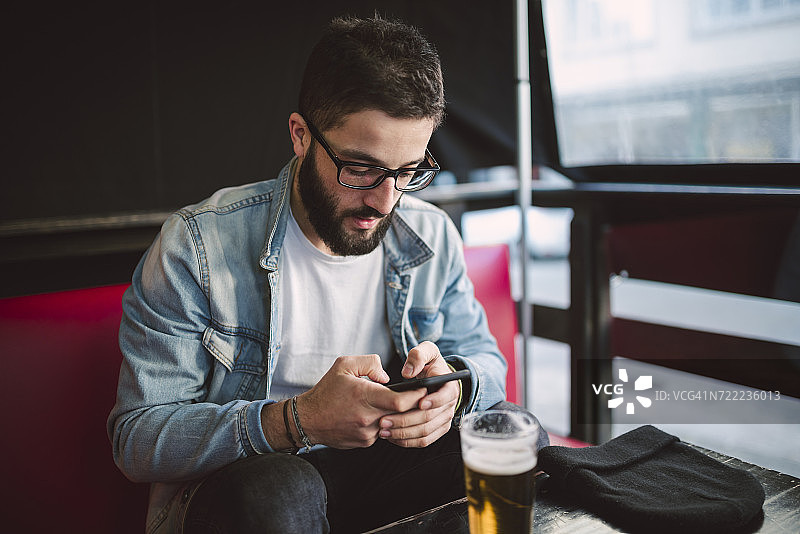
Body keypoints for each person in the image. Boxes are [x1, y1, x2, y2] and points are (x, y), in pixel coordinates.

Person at [108, 14, 548, 534]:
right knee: (278, 491)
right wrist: (298, 420)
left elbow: (487, 362)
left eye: (407, 172)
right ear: (300, 136)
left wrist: (455, 388)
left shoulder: (429, 234)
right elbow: (137, 440)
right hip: (246, 487)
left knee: (515, 434)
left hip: (375, 473)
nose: (386, 201)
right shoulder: (198, 245)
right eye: (361, 168)